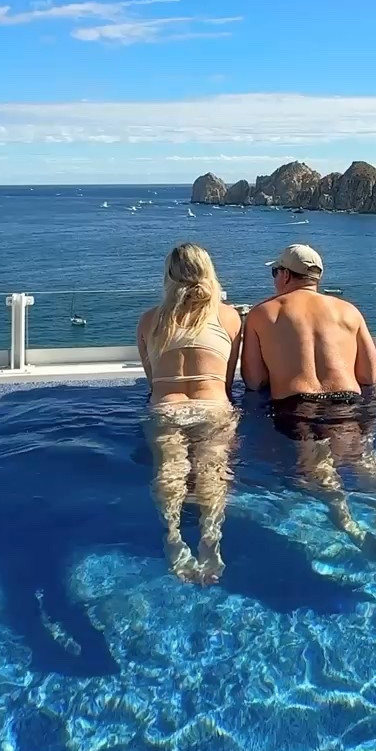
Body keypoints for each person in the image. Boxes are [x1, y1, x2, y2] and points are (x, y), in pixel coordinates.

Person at [242, 244, 376, 558]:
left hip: (297, 405)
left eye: (275, 272)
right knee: (366, 461)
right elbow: (370, 376)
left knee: (319, 472)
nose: (274, 278)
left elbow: (254, 381)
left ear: (287, 275)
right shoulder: (348, 311)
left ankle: (351, 528)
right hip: (347, 401)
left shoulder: (264, 313)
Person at [136, 243, 242, 584]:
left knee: (170, 469)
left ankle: (172, 536)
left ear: (169, 276)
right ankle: (210, 540)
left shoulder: (150, 320)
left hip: (166, 408)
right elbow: (227, 382)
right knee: (211, 472)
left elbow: (153, 382)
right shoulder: (228, 316)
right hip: (212, 407)